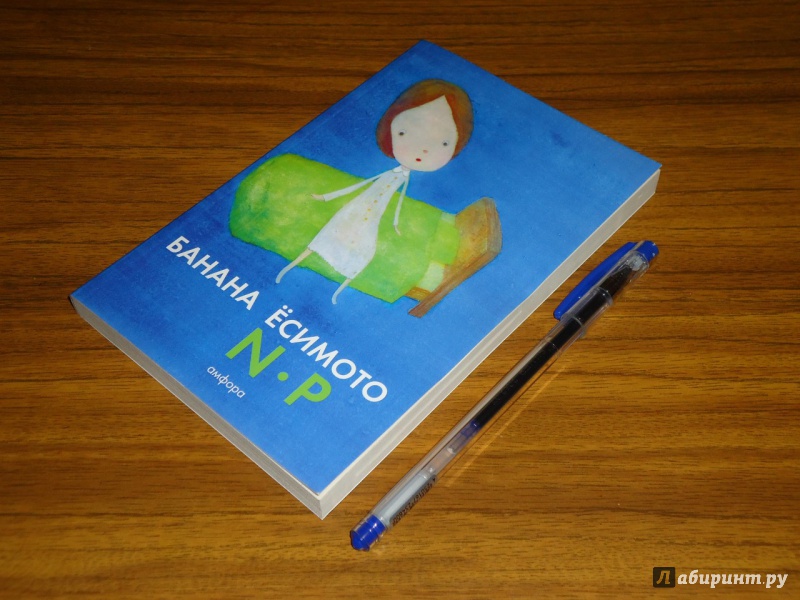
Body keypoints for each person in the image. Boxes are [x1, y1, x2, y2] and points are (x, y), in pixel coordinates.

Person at [275, 79, 474, 304]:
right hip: (358, 207)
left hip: (374, 215)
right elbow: (362, 186)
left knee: (364, 248)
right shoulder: (390, 173)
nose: (423, 148)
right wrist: (327, 197)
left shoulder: (403, 178)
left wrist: (396, 223)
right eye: (408, 131)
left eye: (443, 143)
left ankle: (341, 289)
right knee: (330, 233)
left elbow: (397, 201)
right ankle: (293, 266)